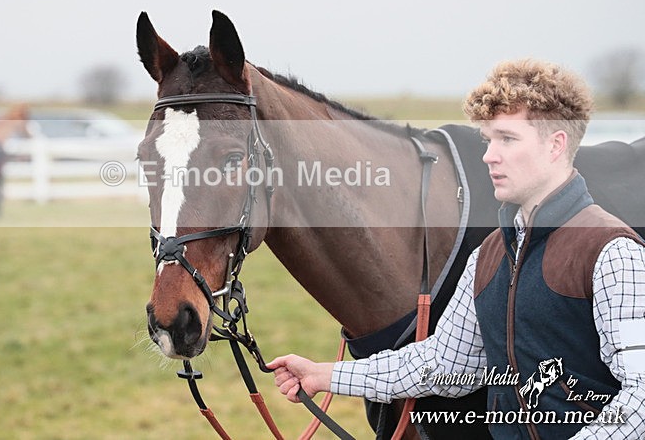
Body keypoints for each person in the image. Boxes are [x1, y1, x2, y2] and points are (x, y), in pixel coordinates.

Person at [268, 59, 645, 439]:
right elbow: (443, 362)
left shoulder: (612, 251)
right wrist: (322, 375)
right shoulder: (488, 256)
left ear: (555, 145)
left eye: (507, 139)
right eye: (488, 140)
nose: (489, 156)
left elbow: (641, 399)